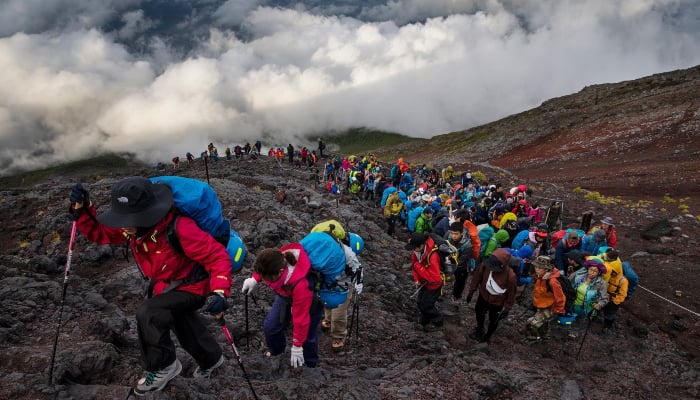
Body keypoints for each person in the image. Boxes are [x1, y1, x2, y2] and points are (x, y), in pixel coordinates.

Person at [68, 177, 232, 395]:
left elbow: (216, 256)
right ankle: (211, 359)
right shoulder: (134, 226)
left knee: (149, 312)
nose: (123, 225)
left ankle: (163, 366)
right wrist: (83, 210)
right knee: (179, 319)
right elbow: (101, 233)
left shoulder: (180, 228)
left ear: (147, 214)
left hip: (194, 285)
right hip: (167, 285)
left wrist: (220, 292)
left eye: (128, 218)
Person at [240, 244, 325, 368]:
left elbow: (301, 320)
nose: (265, 281)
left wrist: (296, 345)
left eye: (266, 278)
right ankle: (276, 351)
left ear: (279, 272)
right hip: (285, 295)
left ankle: (310, 363)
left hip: (308, 300)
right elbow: (263, 267)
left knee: (307, 336)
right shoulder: (277, 259)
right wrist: (254, 279)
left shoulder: (300, 285)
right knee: (271, 326)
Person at [465, 248, 517, 343]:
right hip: (484, 295)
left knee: (494, 320)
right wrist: (471, 292)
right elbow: (477, 278)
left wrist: (507, 308)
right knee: (479, 312)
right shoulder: (485, 266)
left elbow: (511, 293)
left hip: (497, 302)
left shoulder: (510, 276)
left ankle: (488, 336)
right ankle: (480, 329)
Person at [407, 232, 443, 332]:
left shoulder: (433, 256)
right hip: (424, 282)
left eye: (414, 248)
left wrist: (419, 268)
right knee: (420, 302)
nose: (413, 250)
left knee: (427, 305)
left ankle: (438, 322)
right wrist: (416, 279)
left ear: (422, 245)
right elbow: (414, 263)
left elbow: (435, 278)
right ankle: (426, 319)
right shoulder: (418, 251)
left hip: (434, 285)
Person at [525, 256, 565, 341]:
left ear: (546, 269)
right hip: (541, 304)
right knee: (543, 322)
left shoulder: (552, 282)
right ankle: (545, 337)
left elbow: (560, 297)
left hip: (550, 307)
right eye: (536, 267)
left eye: (540, 268)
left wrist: (556, 310)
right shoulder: (540, 276)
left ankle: (532, 338)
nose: (537, 269)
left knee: (532, 323)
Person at [601, 248, 628, 333]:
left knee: (610, 314)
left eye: (613, 272)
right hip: (605, 296)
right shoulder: (608, 275)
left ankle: (607, 326)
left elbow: (622, 295)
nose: (611, 273)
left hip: (613, 300)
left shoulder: (623, 281)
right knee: (601, 309)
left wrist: (615, 302)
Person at [447, 222, 474, 302]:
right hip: (451, 261)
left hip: (462, 267)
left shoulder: (468, 246)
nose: (453, 236)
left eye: (456, 234)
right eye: (452, 233)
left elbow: (461, 261)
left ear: (461, 233)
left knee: (460, 282)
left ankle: (457, 295)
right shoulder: (448, 236)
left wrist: (449, 265)